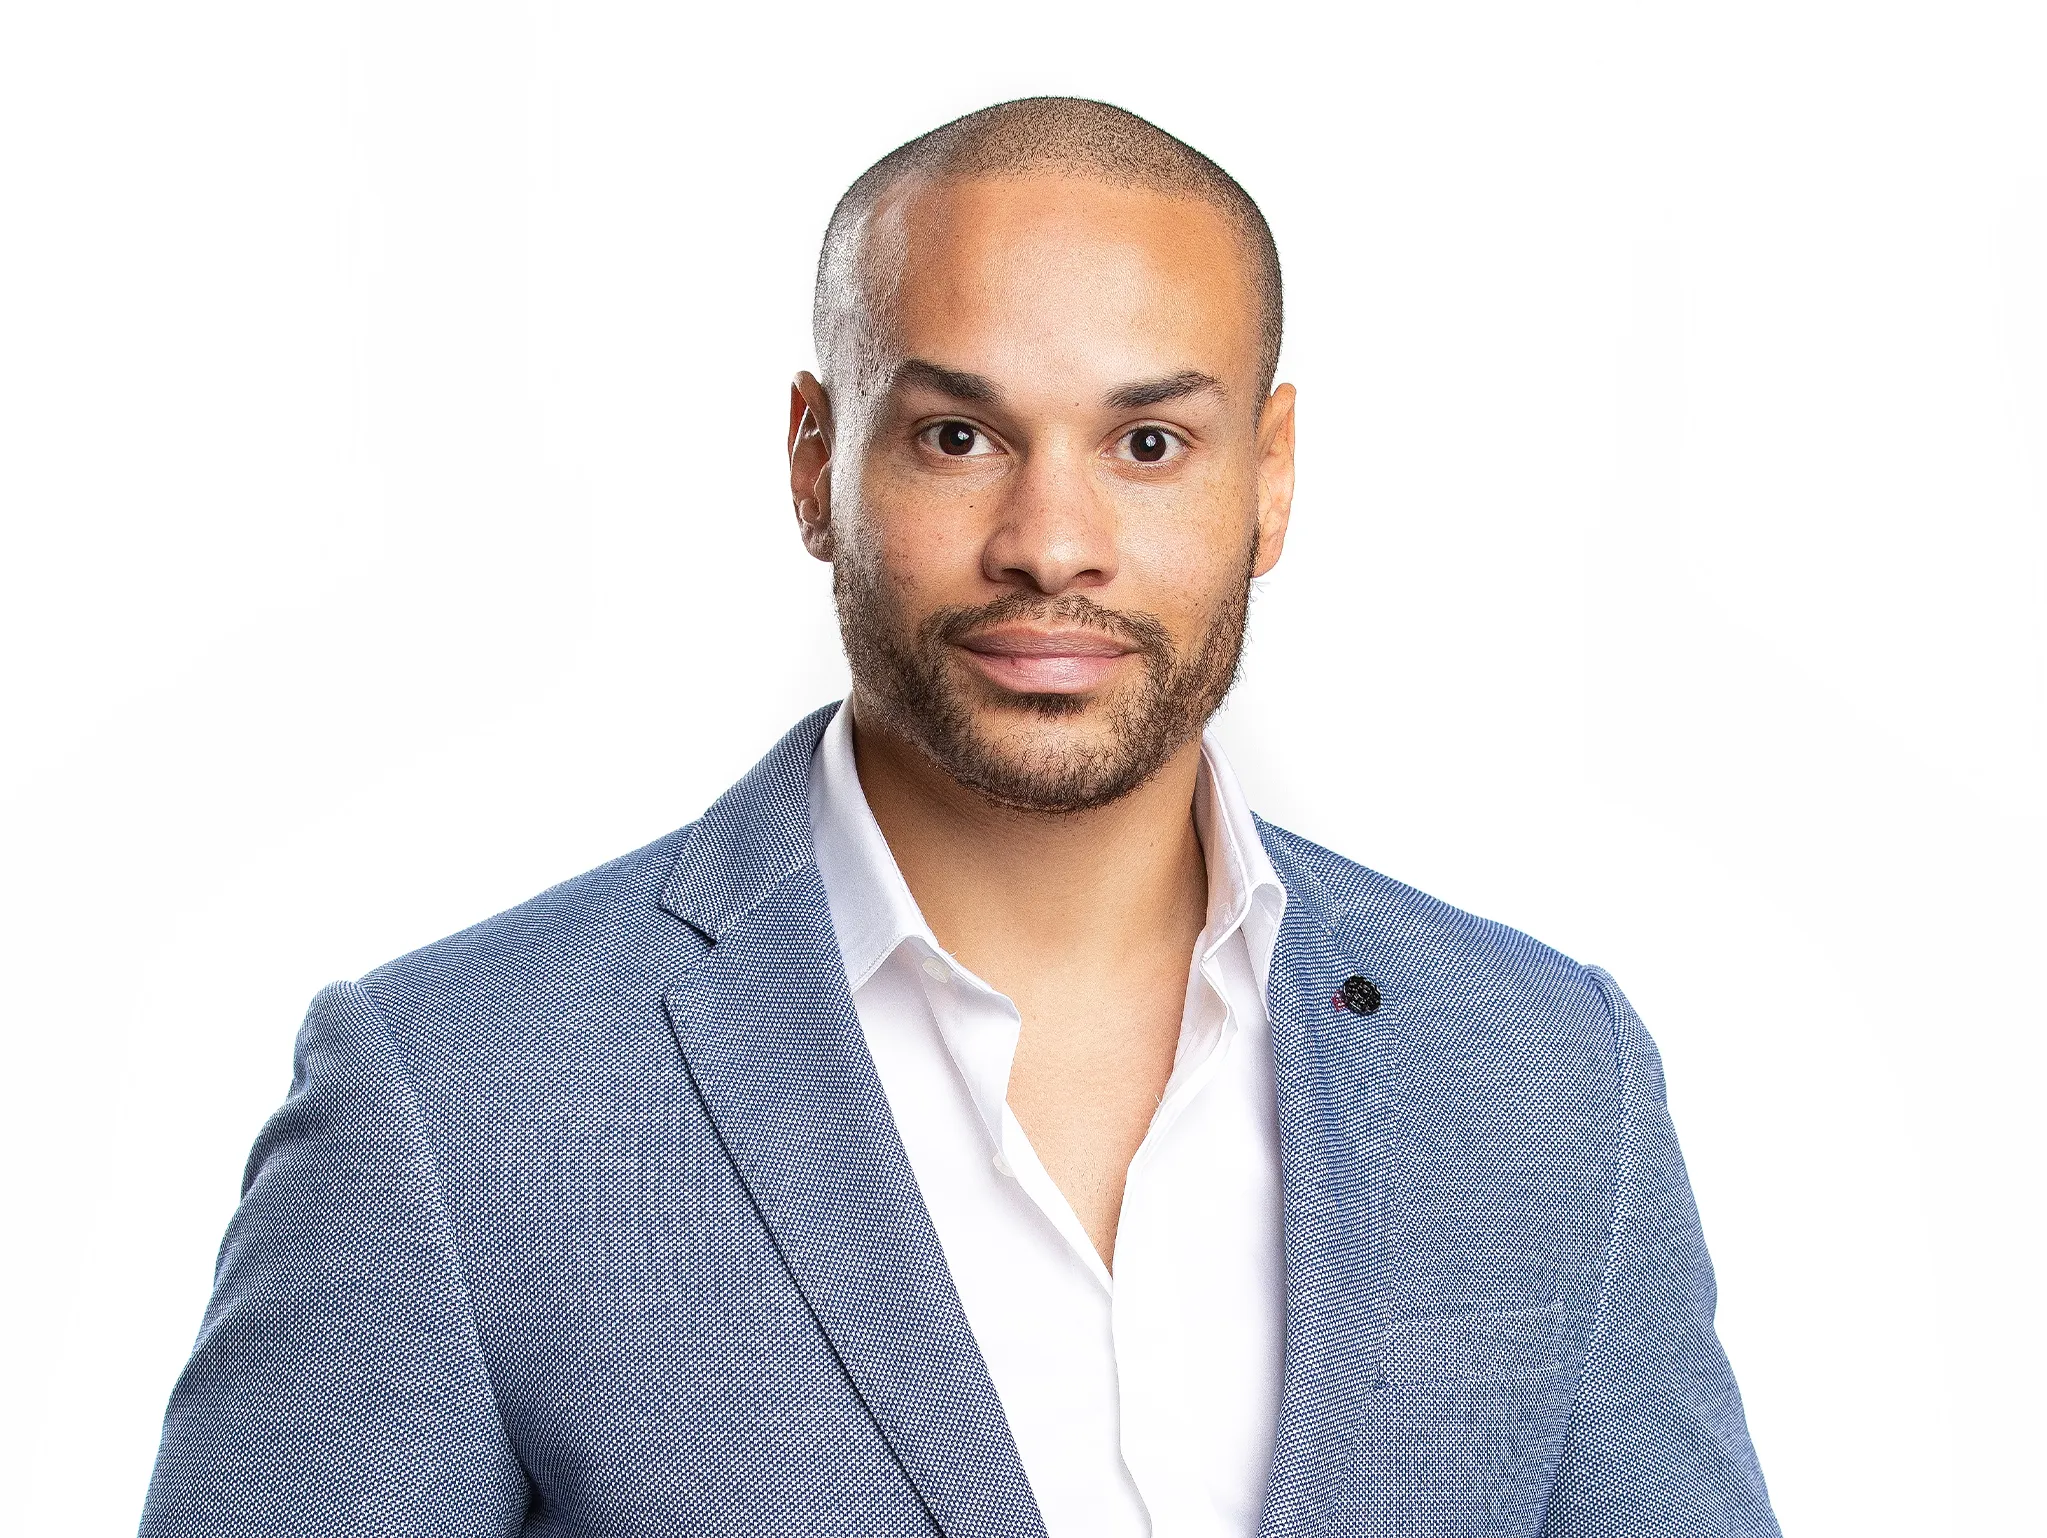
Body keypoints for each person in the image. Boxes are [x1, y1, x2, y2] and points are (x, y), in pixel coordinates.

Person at [139, 97, 1778, 1538]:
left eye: (1148, 441)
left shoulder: (1547, 1073)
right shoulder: (453, 1097)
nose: (1050, 539)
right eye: (955, 435)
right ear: (812, 461)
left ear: (1268, 475)